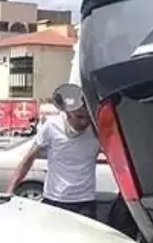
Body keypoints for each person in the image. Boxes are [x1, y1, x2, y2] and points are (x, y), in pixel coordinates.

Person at [7, 82, 101, 219]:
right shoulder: (52, 126)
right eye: (80, 117)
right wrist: (10, 190)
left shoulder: (95, 130)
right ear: (68, 113)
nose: (84, 122)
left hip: (84, 202)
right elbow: (28, 159)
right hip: (55, 200)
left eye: (87, 117)